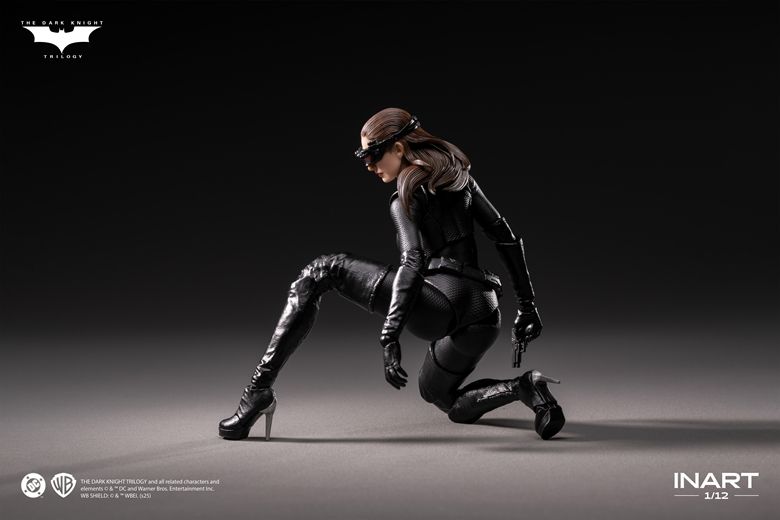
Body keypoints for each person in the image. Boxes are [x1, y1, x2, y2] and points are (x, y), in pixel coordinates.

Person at [218, 108, 565, 441]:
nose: (369, 166)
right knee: (440, 397)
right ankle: (524, 387)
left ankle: (257, 391)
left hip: (440, 306)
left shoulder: (405, 198)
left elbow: (412, 261)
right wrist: (527, 306)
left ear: (399, 148)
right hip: (484, 313)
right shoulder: (462, 181)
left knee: (322, 270)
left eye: (372, 155)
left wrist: (390, 336)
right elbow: (506, 238)